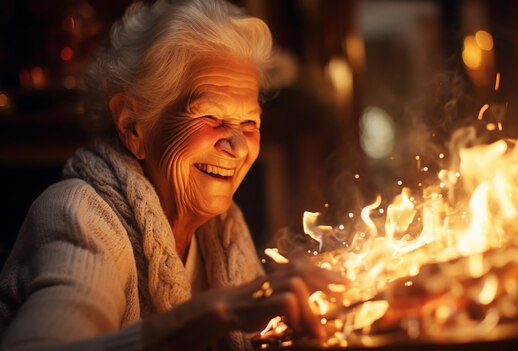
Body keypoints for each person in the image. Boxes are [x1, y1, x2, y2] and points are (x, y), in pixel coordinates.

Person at [0, 0, 347, 350]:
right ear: (133, 126)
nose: (238, 146)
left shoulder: (224, 233)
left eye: (249, 122)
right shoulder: (80, 214)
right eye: (211, 116)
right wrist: (219, 311)